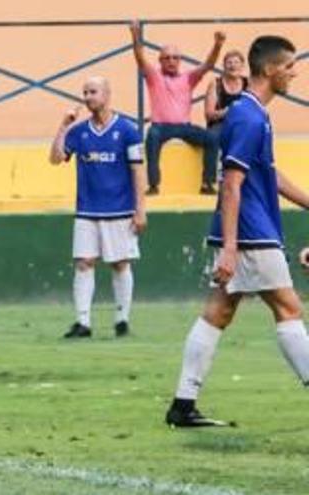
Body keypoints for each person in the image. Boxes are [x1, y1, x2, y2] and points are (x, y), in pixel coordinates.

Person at [164, 35, 309, 428]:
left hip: (247, 226)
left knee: (218, 311)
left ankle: (182, 404)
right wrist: (230, 247)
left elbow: (268, 173)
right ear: (269, 69)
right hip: (250, 229)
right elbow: (231, 183)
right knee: (289, 307)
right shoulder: (248, 116)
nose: (295, 72)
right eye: (290, 66)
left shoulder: (252, 113)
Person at [49, 77, 147, 339]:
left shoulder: (127, 130)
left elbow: (138, 171)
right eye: (85, 92)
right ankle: (83, 322)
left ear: (107, 94)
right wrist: (63, 126)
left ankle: (122, 320)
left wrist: (141, 210)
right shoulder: (79, 132)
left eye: (93, 92)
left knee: (120, 264)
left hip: (119, 210)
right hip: (87, 210)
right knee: (83, 263)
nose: (88, 97)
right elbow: (56, 158)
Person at [129, 21, 225, 195]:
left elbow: (208, 65)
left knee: (212, 138)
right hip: (160, 127)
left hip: (184, 127)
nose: (171, 61)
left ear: (180, 60)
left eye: (175, 57)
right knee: (151, 136)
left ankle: (207, 183)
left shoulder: (188, 77)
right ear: (160, 61)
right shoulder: (154, 76)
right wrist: (135, 36)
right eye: (167, 58)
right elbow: (139, 58)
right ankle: (153, 185)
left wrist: (218, 45)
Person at [204, 50, 248, 175]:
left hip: (241, 123)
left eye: (236, 62)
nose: (232, 65)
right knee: (211, 137)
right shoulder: (216, 84)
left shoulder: (248, 84)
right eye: (229, 62)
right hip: (220, 123)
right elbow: (209, 114)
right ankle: (208, 180)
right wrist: (227, 112)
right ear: (224, 66)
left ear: (242, 66)